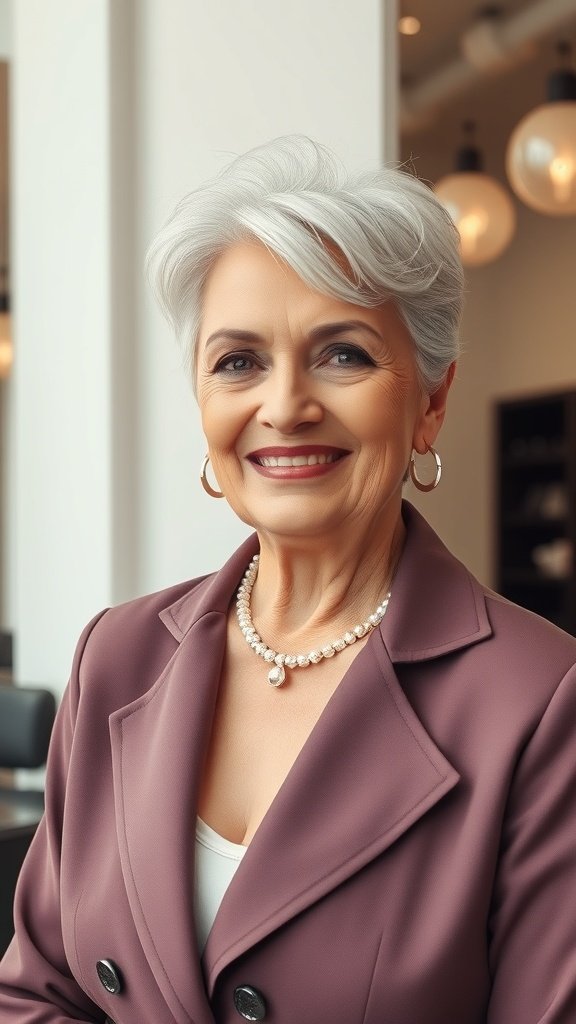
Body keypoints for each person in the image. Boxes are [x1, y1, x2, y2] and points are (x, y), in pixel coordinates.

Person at [1, 136, 575, 1024]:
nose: (283, 405)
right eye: (238, 361)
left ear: (431, 400)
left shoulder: (541, 701)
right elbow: (37, 990)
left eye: (342, 353)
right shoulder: (116, 653)